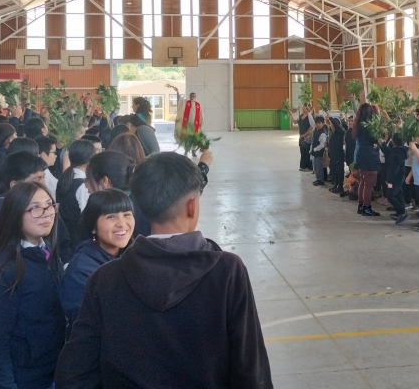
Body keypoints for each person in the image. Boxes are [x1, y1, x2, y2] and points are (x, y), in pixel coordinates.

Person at [55, 151, 271, 389]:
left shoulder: (105, 278)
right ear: (192, 206)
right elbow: (251, 369)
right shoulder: (227, 271)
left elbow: (74, 373)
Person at [0, 182, 65, 389]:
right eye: (35, 208)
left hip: (45, 373)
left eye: (50, 205)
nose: (46, 213)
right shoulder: (2, 272)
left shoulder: (45, 251)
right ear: (14, 214)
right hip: (17, 380)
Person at [58, 189, 134, 335]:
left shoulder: (137, 253)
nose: (122, 223)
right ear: (93, 227)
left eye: (127, 215)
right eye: (111, 217)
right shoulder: (80, 271)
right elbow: (86, 325)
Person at [0, 152, 49, 259]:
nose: (43, 184)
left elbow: (63, 244)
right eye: (37, 179)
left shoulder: (48, 209)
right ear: (14, 185)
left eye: (43, 177)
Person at [85, 150, 149, 238]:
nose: (86, 184)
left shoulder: (137, 212)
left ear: (104, 181)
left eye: (88, 179)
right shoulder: (141, 201)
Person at [57, 139, 97, 245]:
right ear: (90, 159)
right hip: (78, 240)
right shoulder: (83, 185)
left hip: (66, 236)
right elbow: (87, 216)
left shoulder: (65, 178)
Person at [352, 104, 382, 217]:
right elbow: (376, 137)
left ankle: (361, 205)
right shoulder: (369, 126)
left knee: (363, 182)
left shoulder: (358, 124)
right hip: (369, 155)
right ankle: (367, 207)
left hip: (360, 153)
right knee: (369, 183)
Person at [380, 133, 409, 225]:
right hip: (399, 177)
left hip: (394, 179)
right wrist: (382, 144)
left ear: (392, 141)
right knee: (399, 194)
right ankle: (400, 211)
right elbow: (387, 152)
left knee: (390, 195)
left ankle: (402, 212)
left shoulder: (396, 154)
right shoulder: (400, 151)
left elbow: (394, 169)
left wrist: (389, 179)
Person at [328, 117, 345, 193]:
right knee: (334, 170)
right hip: (333, 155)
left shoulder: (340, 132)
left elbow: (337, 125)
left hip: (339, 155)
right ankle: (336, 184)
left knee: (339, 170)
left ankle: (340, 186)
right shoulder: (333, 133)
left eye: (332, 124)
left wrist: (330, 118)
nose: (331, 125)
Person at [310, 115, 328, 187]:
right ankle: (318, 179)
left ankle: (321, 180)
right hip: (315, 153)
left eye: (319, 123)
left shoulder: (323, 133)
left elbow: (322, 145)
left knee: (319, 167)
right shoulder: (317, 131)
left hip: (319, 153)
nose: (317, 124)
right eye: (316, 123)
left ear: (323, 123)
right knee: (316, 167)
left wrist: (315, 149)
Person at [297, 104, 314, 171]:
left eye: (304, 107)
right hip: (301, 136)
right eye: (302, 107)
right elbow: (296, 121)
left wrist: (305, 134)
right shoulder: (301, 116)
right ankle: (303, 166)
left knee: (307, 152)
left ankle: (309, 167)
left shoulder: (310, 117)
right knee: (302, 151)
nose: (303, 108)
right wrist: (291, 115)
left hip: (307, 136)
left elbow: (311, 127)